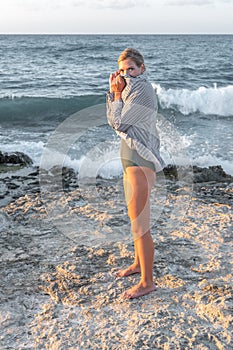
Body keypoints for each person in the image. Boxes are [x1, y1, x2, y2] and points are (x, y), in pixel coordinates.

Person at [106, 48, 164, 299]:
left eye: (131, 69)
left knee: (141, 223)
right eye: (122, 70)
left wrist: (116, 93)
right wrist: (117, 93)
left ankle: (147, 282)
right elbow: (115, 119)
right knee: (134, 216)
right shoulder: (130, 88)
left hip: (141, 159)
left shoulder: (141, 91)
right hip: (130, 155)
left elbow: (118, 122)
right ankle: (138, 264)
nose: (126, 73)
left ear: (142, 68)